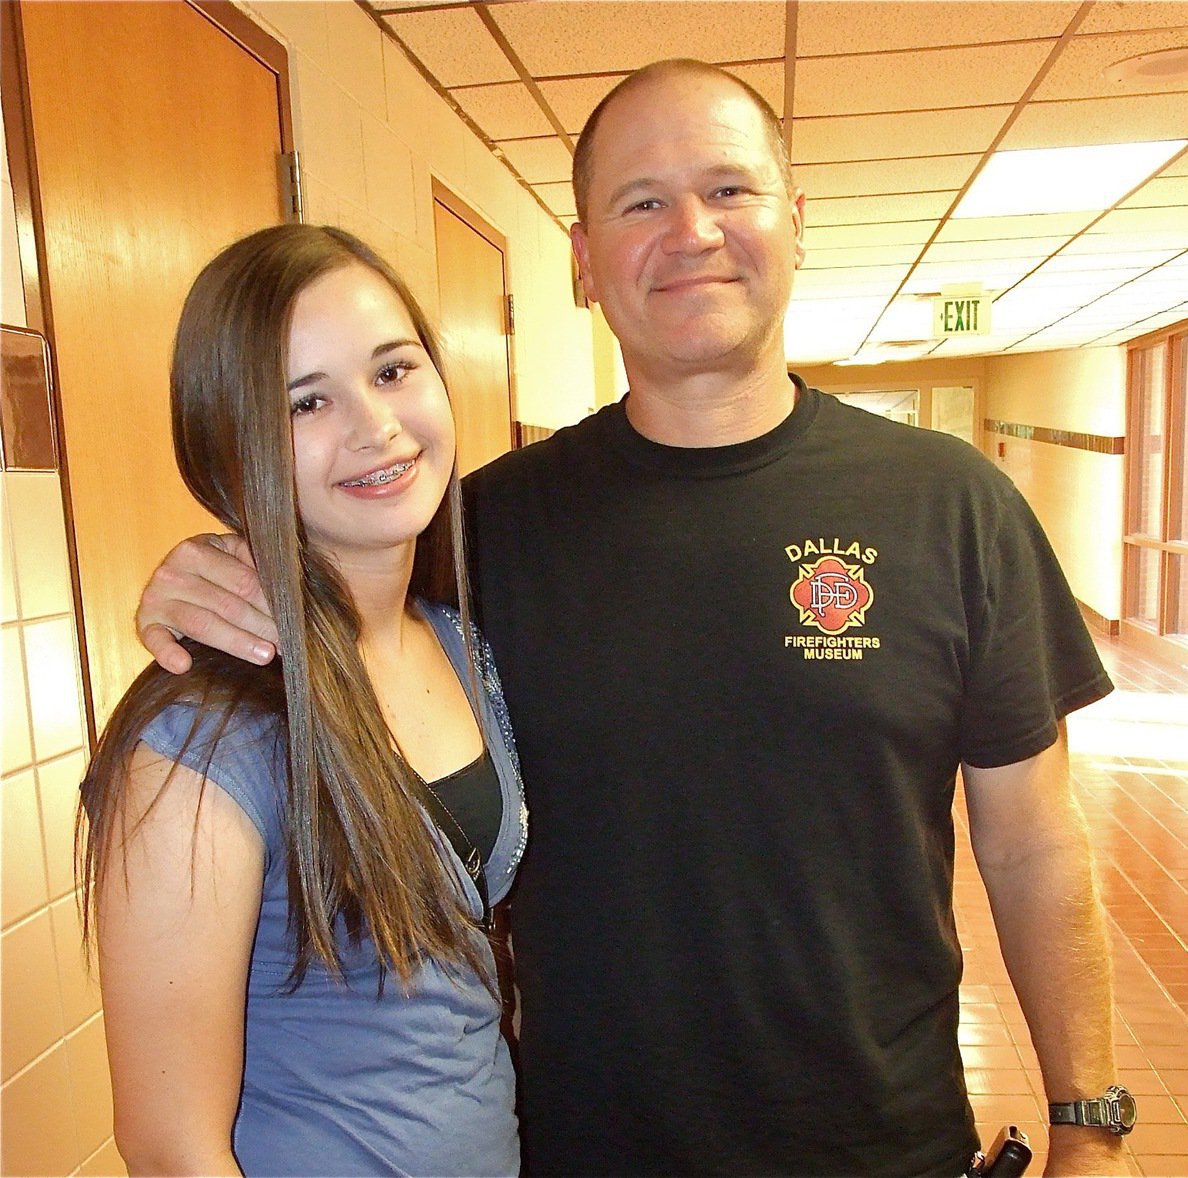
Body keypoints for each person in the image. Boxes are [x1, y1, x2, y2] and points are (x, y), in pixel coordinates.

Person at [134, 62, 1130, 1178]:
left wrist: (1088, 1121)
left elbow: (1034, 840)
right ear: (582, 260)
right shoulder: (475, 532)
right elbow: (328, 600)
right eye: (642, 201)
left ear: (797, 222)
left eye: (729, 189)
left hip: (883, 1145)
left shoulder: (952, 506)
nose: (692, 231)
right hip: (578, 1150)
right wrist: (207, 571)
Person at [79, 224, 526, 1177]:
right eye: (307, 401)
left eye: (393, 370)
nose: (375, 425)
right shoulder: (202, 736)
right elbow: (170, 1149)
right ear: (228, 448)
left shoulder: (457, 641)